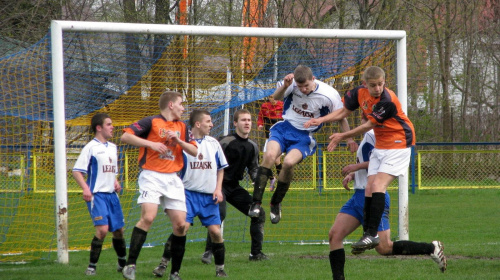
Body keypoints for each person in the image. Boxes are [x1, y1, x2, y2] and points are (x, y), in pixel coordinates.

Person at [304, 66, 416, 251]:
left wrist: (342, 136)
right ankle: (369, 234)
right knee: (369, 188)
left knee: (378, 186)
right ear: (365, 84)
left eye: (381, 84)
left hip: (399, 142)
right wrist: (321, 120)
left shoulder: (387, 100)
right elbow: (343, 112)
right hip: (382, 144)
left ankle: (371, 234)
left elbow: (368, 125)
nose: (378, 88)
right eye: (373, 85)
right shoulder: (358, 93)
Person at [328, 114, 446, 280]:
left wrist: (356, 166)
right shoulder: (369, 136)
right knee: (335, 235)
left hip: (373, 197)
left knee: (384, 248)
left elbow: (378, 163)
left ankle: (431, 248)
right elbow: (372, 163)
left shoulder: (373, 135)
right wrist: (355, 174)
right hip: (358, 196)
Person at [248, 65, 357, 224]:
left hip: (304, 136)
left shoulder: (329, 94)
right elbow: (276, 97)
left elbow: (341, 116)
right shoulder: (290, 83)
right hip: (284, 128)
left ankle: (276, 202)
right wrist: (285, 86)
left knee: (288, 163)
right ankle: (256, 203)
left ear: (313, 79)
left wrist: (349, 139)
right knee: (270, 156)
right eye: (300, 87)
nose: (303, 89)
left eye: (306, 85)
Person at [120, 91, 198, 280]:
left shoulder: (182, 126)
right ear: (171, 105)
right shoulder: (151, 122)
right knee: (148, 217)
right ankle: (130, 266)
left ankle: (175, 273)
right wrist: (151, 144)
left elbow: (195, 151)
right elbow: (125, 137)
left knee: (180, 226)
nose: (183, 107)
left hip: (173, 178)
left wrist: (179, 141)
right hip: (152, 176)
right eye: (181, 103)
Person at [152, 109, 229, 278]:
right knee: (182, 227)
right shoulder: (183, 144)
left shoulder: (213, 143)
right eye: (208, 121)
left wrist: (218, 189)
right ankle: (163, 264)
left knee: (216, 232)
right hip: (187, 194)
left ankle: (220, 269)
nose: (212, 124)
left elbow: (221, 169)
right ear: (198, 124)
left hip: (209, 196)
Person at [201, 109, 268, 264]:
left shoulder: (253, 146)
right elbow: (211, 163)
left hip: (234, 187)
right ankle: (208, 252)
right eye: (243, 120)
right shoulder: (225, 142)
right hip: (218, 185)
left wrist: (260, 177)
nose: (247, 123)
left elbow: (253, 168)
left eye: (249, 120)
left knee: (258, 213)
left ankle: (256, 254)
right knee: (219, 214)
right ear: (235, 123)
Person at [72, 112, 127, 276]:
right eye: (109, 124)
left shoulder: (113, 147)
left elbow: (111, 172)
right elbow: (76, 171)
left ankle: (122, 263)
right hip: (97, 196)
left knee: (119, 231)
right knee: (103, 230)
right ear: (99, 127)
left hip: (112, 196)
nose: (112, 127)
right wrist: (85, 188)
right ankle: (91, 267)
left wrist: (116, 182)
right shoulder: (91, 147)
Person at [257, 95, 284, 191]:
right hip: (268, 136)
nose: (272, 99)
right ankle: (272, 178)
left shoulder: (282, 105)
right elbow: (260, 117)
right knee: (265, 160)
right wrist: (260, 124)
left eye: (274, 97)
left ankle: (282, 182)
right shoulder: (265, 106)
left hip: (280, 137)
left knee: (276, 160)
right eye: (270, 97)